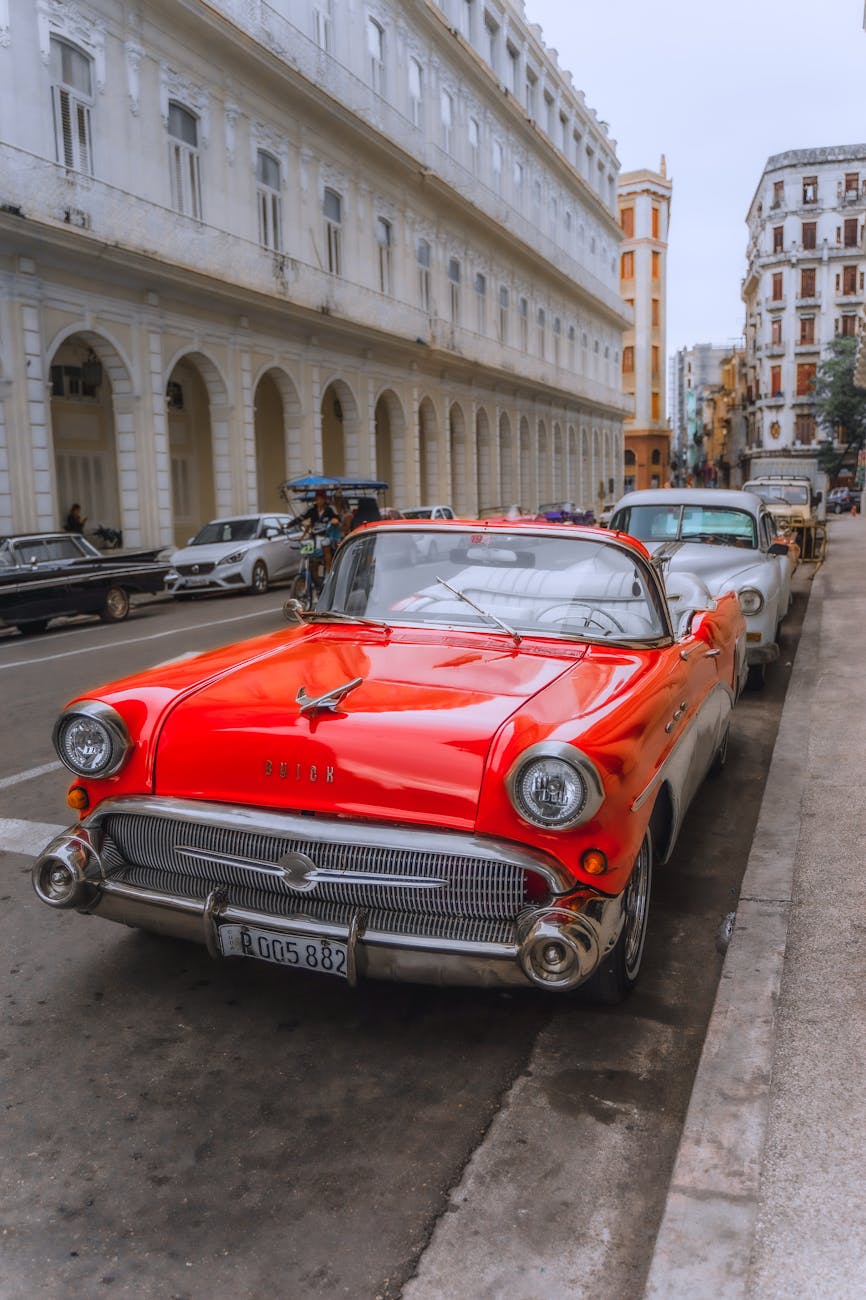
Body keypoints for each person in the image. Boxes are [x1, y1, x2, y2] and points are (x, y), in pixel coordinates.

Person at [301, 489, 339, 570]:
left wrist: (334, 521)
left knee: (327, 554)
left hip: (325, 536)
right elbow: (302, 519)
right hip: (313, 537)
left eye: (320, 498)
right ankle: (312, 578)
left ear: (324, 499)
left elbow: (337, 519)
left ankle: (328, 572)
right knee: (310, 558)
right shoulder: (311, 510)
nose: (318, 500)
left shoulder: (330, 509)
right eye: (317, 498)